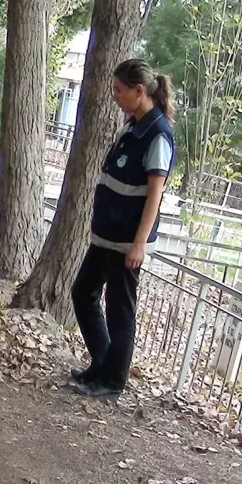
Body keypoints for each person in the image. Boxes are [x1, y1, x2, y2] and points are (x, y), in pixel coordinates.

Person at [69, 59, 176, 398]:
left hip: (128, 240)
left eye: (119, 91)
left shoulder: (157, 134)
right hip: (107, 235)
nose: (115, 96)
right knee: (83, 292)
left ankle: (113, 380)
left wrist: (139, 243)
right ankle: (101, 362)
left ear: (139, 91)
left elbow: (154, 194)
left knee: (120, 310)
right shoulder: (134, 125)